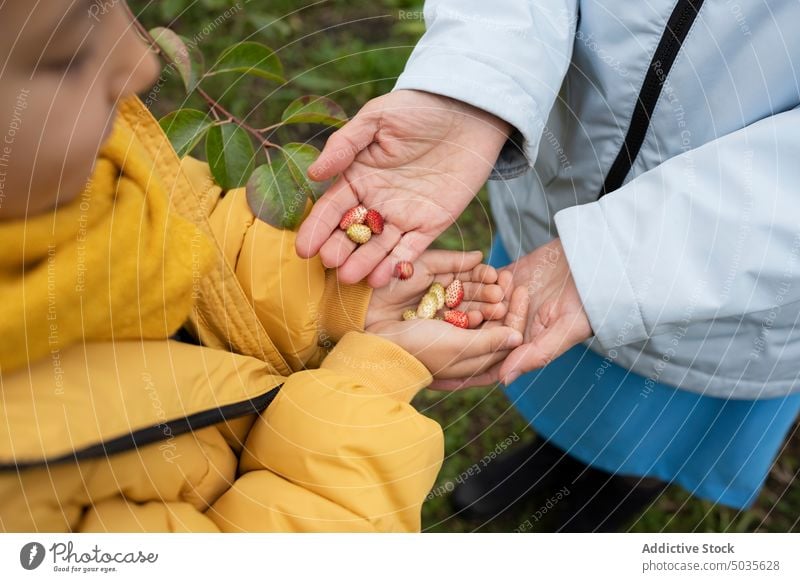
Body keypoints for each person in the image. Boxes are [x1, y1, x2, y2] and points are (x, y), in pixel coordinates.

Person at [0, 1, 528, 532]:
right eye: (64, 59)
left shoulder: (77, 177)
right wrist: (366, 388)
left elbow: (195, 239)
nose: (144, 65)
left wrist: (332, 303)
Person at [297, 0, 800, 530]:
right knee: (566, 388)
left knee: (655, 432)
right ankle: (552, 458)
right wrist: (472, 89)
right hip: (555, 211)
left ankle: (617, 497)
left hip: (736, 308)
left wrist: (621, 255)